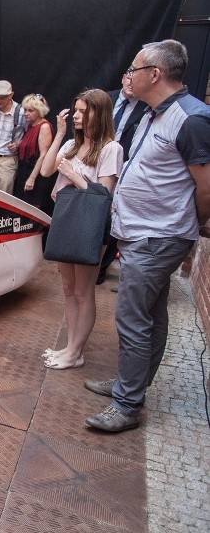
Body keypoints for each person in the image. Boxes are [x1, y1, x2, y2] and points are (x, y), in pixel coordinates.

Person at [84, 40, 210, 432]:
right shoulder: (157, 113)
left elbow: (205, 189)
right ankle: (129, 385)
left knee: (132, 319)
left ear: (154, 74)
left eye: (134, 70)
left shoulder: (191, 119)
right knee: (150, 316)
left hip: (157, 238)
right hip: (144, 233)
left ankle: (126, 405)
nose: (128, 76)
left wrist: (186, 224)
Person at [39, 89, 123, 370]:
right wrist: (60, 134)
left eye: (82, 111)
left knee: (84, 291)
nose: (76, 115)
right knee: (67, 288)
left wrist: (75, 176)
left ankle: (75, 351)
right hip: (66, 219)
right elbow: (46, 171)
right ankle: (70, 347)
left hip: (89, 224)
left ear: (97, 114)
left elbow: (104, 195)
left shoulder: (111, 148)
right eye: (74, 110)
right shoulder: (72, 146)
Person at [97, 72, 149, 284]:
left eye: (135, 77)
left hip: (124, 171)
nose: (130, 82)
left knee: (113, 221)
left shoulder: (146, 106)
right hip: (97, 164)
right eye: (128, 77)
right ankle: (84, 261)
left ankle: (101, 268)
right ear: (122, 78)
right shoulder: (104, 98)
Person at [12, 94, 55, 208]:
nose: (26, 113)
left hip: (35, 174)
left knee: (31, 210)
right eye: (25, 110)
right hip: (24, 172)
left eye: (31, 110)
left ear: (39, 111)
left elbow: (43, 155)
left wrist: (32, 178)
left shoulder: (44, 126)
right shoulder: (31, 125)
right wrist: (18, 145)